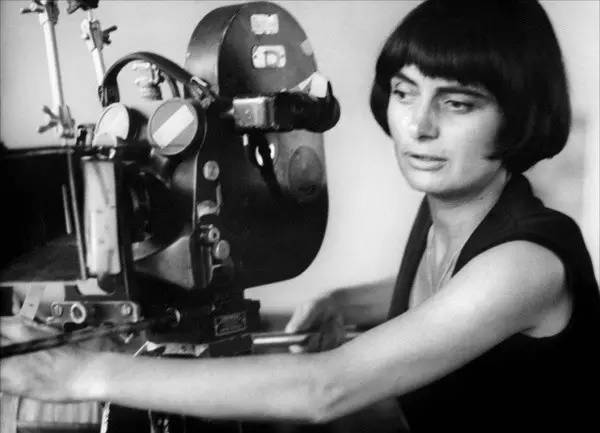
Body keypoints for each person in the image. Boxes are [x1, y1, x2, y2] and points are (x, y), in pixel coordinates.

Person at [2, 0, 599, 431]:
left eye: (458, 103)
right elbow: (448, 294)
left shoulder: (527, 264)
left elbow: (325, 389)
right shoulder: (455, 214)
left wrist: (77, 375)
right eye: (404, 92)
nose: (419, 126)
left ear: (519, 116)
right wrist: (346, 302)